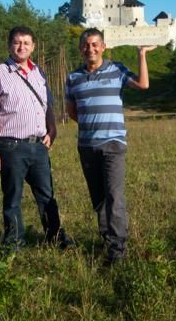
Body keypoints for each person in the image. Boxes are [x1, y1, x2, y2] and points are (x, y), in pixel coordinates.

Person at [65, 28, 155, 264]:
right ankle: (107, 241)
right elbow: (72, 111)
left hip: (113, 145)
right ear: (80, 49)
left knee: (114, 197)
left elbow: (143, 84)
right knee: (99, 199)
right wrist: (91, 124)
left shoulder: (117, 69)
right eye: (86, 45)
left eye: (95, 44)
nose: (90, 49)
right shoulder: (73, 77)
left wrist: (142, 54)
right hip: (86, 146)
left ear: (103, 47)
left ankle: (117, 252)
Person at [0, 26, 72, 250]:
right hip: (10, 146)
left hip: (39, 146)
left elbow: (47, 105)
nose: (21, 47)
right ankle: (14, 243)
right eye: (17, 42)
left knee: (47, 195)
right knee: (12, 198)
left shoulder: (39, 73)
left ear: (33, 47)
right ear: (9, 45)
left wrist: (53, 129)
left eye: (26, 43)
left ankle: (56, 238)